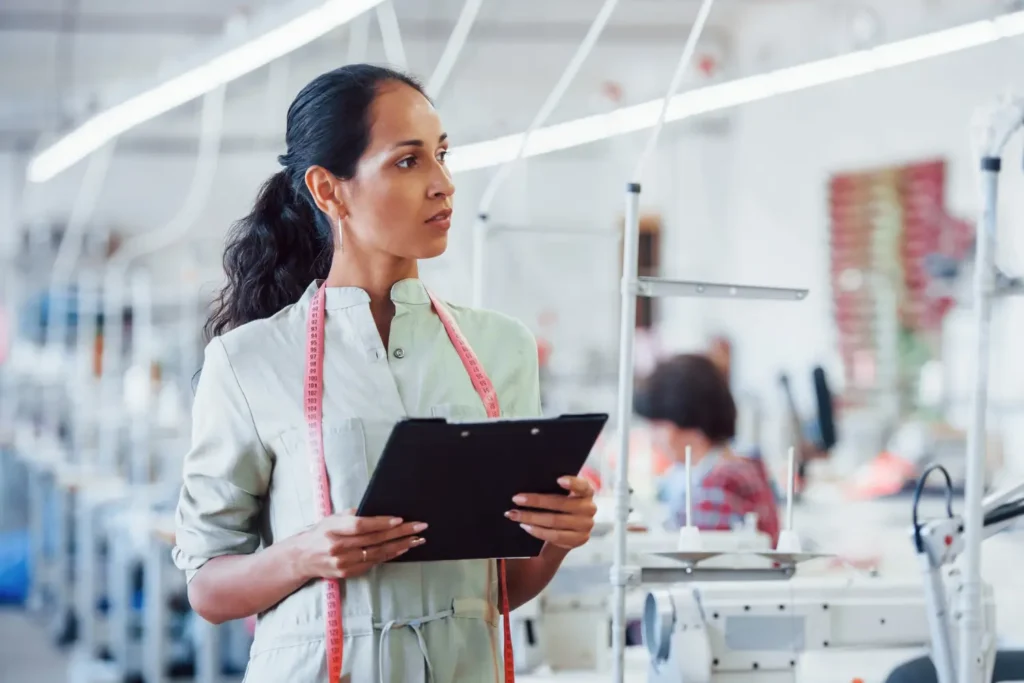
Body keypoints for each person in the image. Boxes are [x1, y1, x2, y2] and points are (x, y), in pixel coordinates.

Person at [171, 64, 598, 683]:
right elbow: (208, 588)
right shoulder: (250, 360)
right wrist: (303, 555)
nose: (443, 184)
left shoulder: (502, 348)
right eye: (408, 162)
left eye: (443, 156)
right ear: (329, 190)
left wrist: (560, 534)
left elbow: (498, 591)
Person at [634, 353, 780, 545]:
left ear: (685, 420)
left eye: (657, 425)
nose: (653, 438)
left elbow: (699, 562)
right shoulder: (736, 467)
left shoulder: (722, 483)